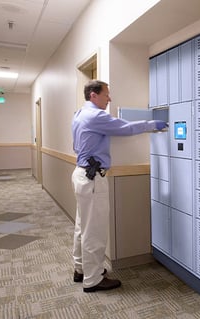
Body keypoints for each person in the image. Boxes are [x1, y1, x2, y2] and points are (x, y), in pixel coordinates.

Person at [71, 80, 167, 292]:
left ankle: (81, 268)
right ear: (94, 95)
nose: (110, 99)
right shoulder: (96, 115)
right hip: (92, 178)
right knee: (93, 230)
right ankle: (93, 279)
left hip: (81, 174)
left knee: (82, 226)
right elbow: (125, 127)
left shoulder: (79, 114)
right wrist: (152, 125)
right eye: (106, 94)